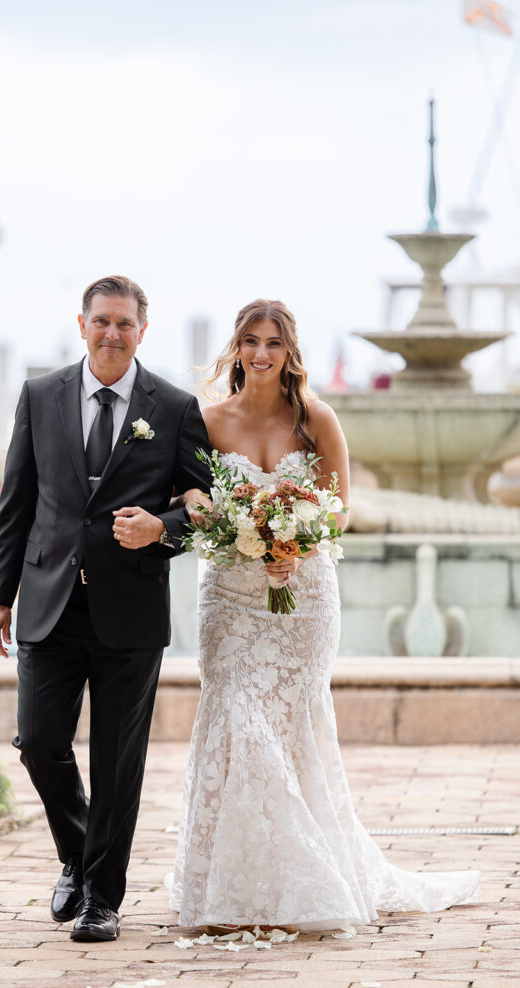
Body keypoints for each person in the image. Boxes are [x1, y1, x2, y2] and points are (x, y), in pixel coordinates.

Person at [170, 298, 479, 930]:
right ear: (235, 348)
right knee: (234, 718)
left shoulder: (316, 418)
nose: (261, 353)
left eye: (274, 343)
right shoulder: (205, 420)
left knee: (292, 729)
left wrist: (295, 540)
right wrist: (220, 519)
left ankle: (298, 875)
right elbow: (191, 494)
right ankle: (239, 885)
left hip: (302, 598)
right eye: (251, 341)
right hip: (229, 599)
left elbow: (339, 508)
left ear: (289, 353)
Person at [0, 275, 211, 942]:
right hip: (48, 601)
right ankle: (77, 856)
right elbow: (16, 504)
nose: (112, 333)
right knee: (38, 743)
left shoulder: (171, 406)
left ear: (143, 330)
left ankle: (101, 900)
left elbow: (203, 508)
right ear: (81, 324)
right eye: (101, 321)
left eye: (125, 323)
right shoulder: (39, 395)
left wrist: (162, 529)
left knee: (118, 760)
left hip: (130, 609)